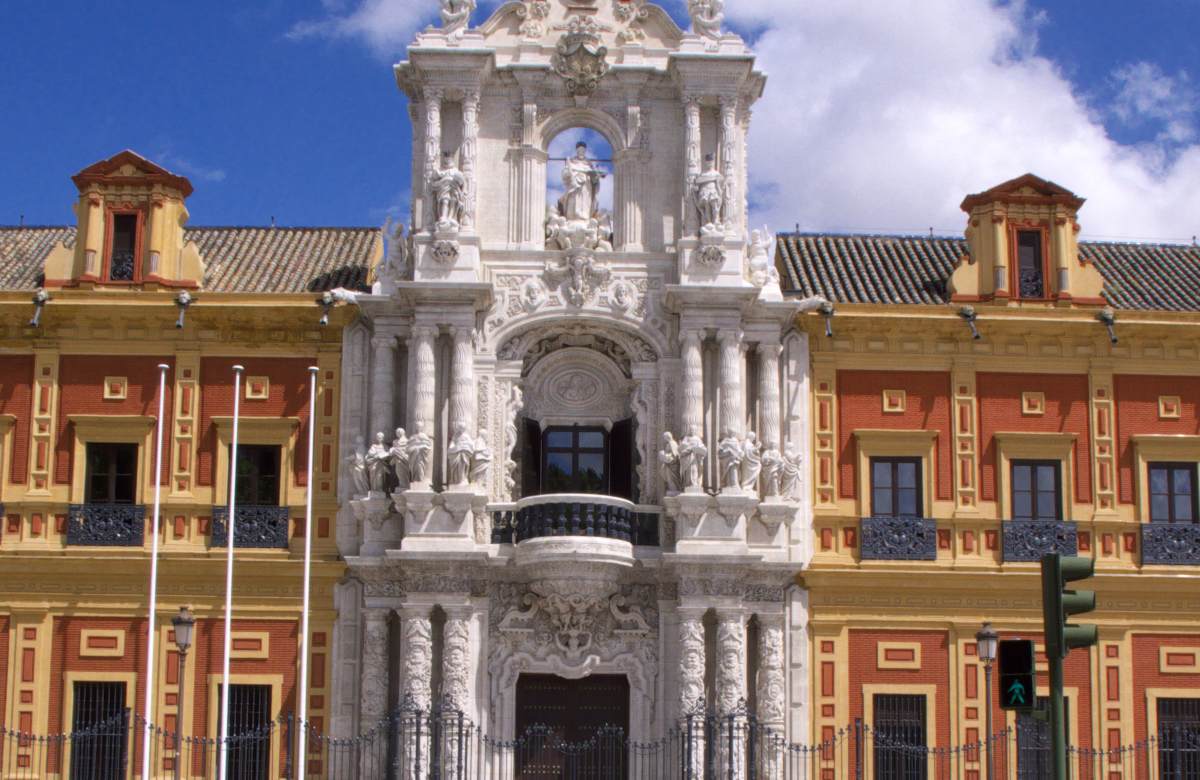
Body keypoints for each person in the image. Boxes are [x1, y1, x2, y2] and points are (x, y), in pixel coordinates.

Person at [558, 142, 604, 223]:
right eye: (579, 150)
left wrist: (596, 177)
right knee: (573, 200)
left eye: (583, 150)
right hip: (574, 186)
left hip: (586, 187)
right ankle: (571, 217)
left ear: (585, 151)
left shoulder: (589, 164)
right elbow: (564, 174)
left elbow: (594, 178)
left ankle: (585, 217)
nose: (581, 152)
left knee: (585, 201)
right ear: (577, 151)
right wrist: (569, 172)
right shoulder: (571, 162)